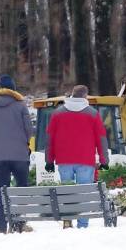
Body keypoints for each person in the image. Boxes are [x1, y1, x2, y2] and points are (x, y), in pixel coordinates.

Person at [45, 84, 109, 228]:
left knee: (67, 192)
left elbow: (50, 138)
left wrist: (49, 160)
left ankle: (68, 220)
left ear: (72, 95)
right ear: (85, 96)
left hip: (64, 160)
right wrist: (104, 160)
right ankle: (83, 225)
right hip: (85, 159)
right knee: (84, 193)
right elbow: (101, 138)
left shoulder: (57, 113)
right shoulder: (92, 113)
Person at [0, 74, 34, 234]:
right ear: (13, 89)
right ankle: (19, 223)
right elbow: (29, 131)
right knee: (21, 189)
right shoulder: (21, 106)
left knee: (1, 190)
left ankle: (1, 226)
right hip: (19, 155)